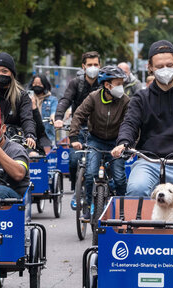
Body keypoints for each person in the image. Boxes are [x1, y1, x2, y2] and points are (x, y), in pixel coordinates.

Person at [111, 40, 173, 199]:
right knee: (136, 189)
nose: (165, 70)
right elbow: (130, 123)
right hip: (148, 162)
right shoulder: (141, 98)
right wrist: (124, 142)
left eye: (169, 65)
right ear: (150, 67)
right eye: (159, 67)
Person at [70, 66, 130, 219]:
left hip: (116, 143)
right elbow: (78, 115)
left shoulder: (125, 101)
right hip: (95, 140)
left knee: (119, 178)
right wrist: (74, 138)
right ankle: (89, 205)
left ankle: (124, 210)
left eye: (122, 83)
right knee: (90, 174)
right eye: (117, 83)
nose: (120, 87)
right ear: (107, 85)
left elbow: (131, 123)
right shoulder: (93, 97)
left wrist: (128, 145)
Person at [53, 51, 101, 209]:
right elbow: (66, 99)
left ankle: (102, 192)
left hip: (99, 129)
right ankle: (77, 190)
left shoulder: (104, 83)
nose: (93, 68)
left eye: (96, 65)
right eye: (90, 65)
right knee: (74, 161)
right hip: (78, 128)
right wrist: (59, 117)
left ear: (100, 66)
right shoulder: (76, 83)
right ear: (83, 66)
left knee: (101, 163)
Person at [0, 52, 37, 152]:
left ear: (12, 73)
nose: (0, 74)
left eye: (4, 71)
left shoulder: (22, 96)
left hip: (14, 143)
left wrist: (30, 135)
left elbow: (27, 118)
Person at [0, 123, 30, 199]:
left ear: (3, 129)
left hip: (13, 198)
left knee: (0, 191)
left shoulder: (16, 149)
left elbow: (19, 174)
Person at [29, 73, 58, 148]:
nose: (36, 86)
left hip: (47, 135)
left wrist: (53, 117)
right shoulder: (28, 99)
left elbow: (54, 112)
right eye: (34, 83)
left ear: (44, 85)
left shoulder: (52, 100)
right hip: (31, 135)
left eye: (39, 84)